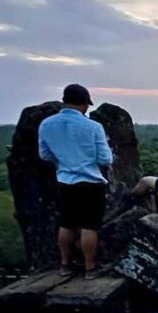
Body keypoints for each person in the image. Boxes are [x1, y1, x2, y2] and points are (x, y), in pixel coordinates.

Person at [38, 83, 113, 279]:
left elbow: (44, 154)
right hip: (90, 181)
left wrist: (64, 161)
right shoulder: (93, 127)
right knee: (89, 225)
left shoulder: (47, 124)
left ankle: (64, 265)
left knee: (67, 224)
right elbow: (105, 159)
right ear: (83, 104)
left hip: (64, 179)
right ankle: (90, 267)